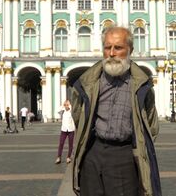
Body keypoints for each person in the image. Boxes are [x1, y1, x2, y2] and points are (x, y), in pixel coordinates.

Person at [71, 26, 160, 196]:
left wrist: (136, 148)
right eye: (107, 47)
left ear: (130, 50)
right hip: (93, 153)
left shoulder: (141, 86)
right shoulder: (89, 82)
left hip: (124, 156)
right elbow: (78, 116)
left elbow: (151, 125)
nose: (111, 53)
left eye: (118, 48)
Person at [55, 100, 76, 164]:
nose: (66, 106)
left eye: (67, 105)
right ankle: (59, 157)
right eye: (65, 105)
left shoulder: (71, 111)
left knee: (70, 144)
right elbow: (58, 111)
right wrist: (63, 105)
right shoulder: (63, 111)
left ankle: (68, 157)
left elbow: (73, 108)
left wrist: (70, 105)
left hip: (71, 130)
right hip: (63, 130)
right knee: (61, 143)